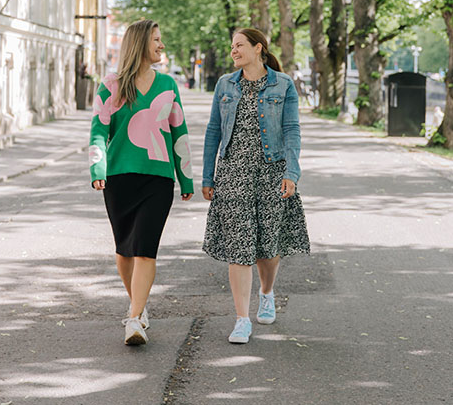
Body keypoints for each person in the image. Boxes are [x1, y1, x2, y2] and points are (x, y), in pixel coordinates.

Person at [89, 19, 194, 345]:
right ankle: (139, 304)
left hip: (158, 180)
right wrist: (97, 169)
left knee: (145, 249)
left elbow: (179, 132)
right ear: (140, 45)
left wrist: (186, 176)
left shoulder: (168, 85)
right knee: (124, 250)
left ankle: (133, 319)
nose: (162, 45)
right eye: (157, 40)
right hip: (119, 178)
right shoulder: (110, 85)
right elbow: (98, 130)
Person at [202, 28, 310, 344]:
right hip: (233, 174)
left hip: (272, 173)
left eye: (239, 45)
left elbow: (292, 130)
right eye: (232, 45)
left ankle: (266, 292)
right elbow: (212, 133)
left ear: (257, 48)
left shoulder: (283, 84)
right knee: (240, 247)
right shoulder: (225, 85)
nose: (233, 50)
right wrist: (208, 177)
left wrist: (291, 172)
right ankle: (241, 320)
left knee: (268, 246)